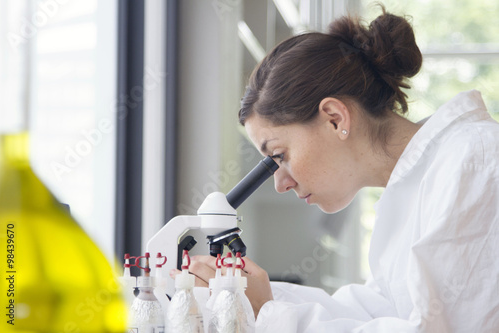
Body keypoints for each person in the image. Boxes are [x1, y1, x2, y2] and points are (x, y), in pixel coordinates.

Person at [171, 6, 499, 332]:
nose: (280, 184)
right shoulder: (409, 194)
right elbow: (375, 315)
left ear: (334, 118)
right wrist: (254, 296)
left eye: (280, 155)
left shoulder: (476, 163)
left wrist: (269, 313)